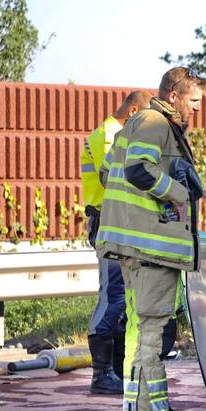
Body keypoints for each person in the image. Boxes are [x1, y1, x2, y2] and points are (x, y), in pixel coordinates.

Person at [96, 67, 206, 411]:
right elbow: (136, 171)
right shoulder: (155, 121)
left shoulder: (139, 124)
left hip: (138, 246)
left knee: (145, 329)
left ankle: (142, 409)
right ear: (173, 96)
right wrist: (177, 193)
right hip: (149, 247)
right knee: (153, 331)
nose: (197, 108)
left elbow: (108, 171)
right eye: (193, 100)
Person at [81, 90, 152, 395]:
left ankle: (117, 371)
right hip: (107, 222)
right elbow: (116, 177)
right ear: (133, 110)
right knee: (112, 296)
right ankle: (101, 374)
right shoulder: (106, 135)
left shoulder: (117, 134)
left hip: (120, 222)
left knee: (124, 297)